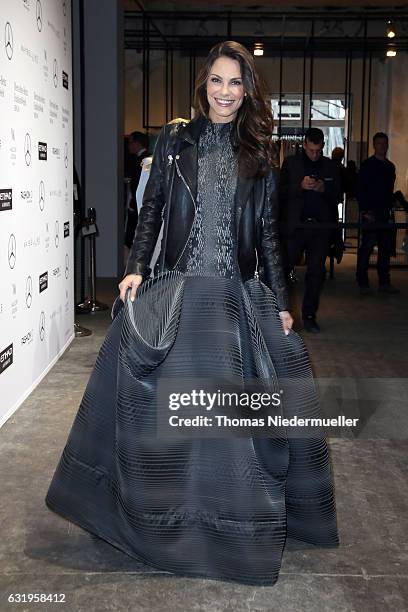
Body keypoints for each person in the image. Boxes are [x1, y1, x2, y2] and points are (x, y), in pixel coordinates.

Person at [45, 41, 338, 586]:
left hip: (234, 297)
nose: (224, 92)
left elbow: (270, 238)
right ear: (203, 84)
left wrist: (279, 303)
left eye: (235, 83)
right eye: (216, 81)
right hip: (181, 291)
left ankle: (227, 526)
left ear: (248, 90)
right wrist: (134, 266)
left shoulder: (259, 152)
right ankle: (162, 522)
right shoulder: (175, 138)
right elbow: (152, 206)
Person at [280, 128, 341, 332]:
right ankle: (280, 314)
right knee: (284, 270)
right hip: (296, 226)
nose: (314, 154)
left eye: (318, 150)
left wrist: (325, 189)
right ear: (304, 144)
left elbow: (338, 195)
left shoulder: (331, 167)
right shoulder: (291, 164)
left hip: (320, 228)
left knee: (316, 273)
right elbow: (280, 192)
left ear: (323, 146)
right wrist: (299, 186)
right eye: (311, 150)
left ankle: (309, 316)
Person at [356, 132, 399, 295]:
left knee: (385, 249)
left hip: (384, 213)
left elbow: (388, 190)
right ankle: (362, 282)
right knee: (367, 247)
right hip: (371, 213)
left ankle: (384, 282)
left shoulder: (390, 166)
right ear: (374, 145)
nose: (382, 146)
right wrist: (366, 210)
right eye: (379, 143)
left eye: (384, 143)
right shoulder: (367, 165)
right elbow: (361, 189)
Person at [124, 131, 150, 250]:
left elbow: (140, 186)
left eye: (130, 142)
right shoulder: (140, 159)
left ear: (137, 143)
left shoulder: (144, 161)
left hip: (139, 205)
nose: (128, 146)